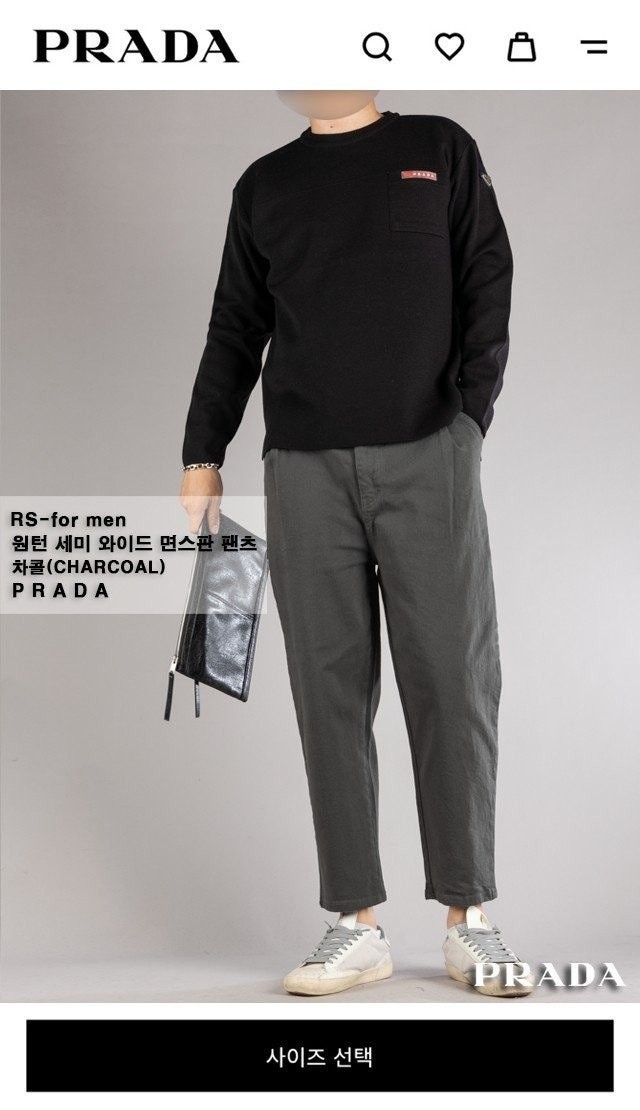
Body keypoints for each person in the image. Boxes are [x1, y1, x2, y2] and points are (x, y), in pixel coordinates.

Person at [179, 92, 535, 998]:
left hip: (428, 450)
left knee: (452, 677)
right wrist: (202, 454)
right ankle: (356, 923)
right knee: (326, 689)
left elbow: (486, 275)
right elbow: (235, 324)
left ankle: (469, 919)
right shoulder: (264, 185)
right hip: (303, 467)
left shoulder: (439, 148)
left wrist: (468, 419)